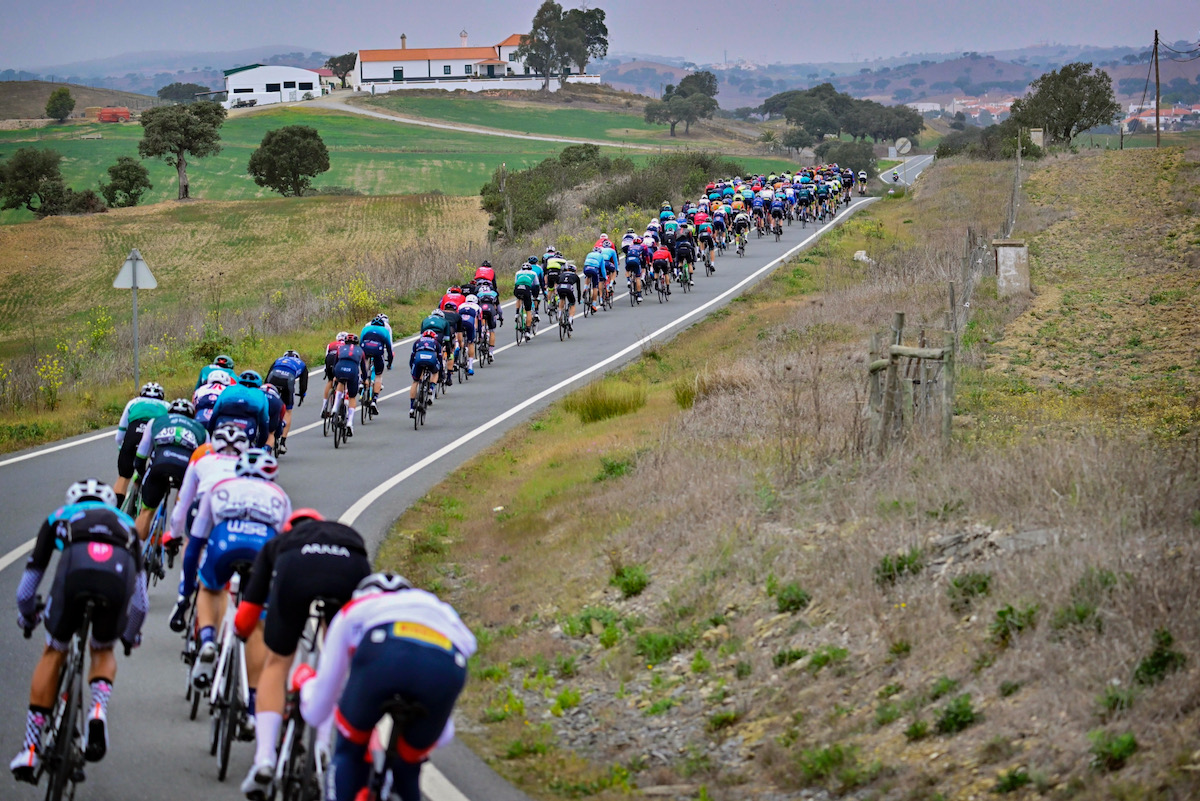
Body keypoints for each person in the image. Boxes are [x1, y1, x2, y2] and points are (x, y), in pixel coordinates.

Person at [292, 573, 476, 801]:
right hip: (448, 662)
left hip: (383, 654)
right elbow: (444, 735)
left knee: (349, 751)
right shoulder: (442, 612)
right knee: (408, 766)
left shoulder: (353, 610)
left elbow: (318, 708)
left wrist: (305, 682)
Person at [11, 479, 147, 781]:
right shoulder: (126, 523)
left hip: (73, 576)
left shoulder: (60, 516)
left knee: (54, 649)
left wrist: (29, 617)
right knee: (102, 648)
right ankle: (97, 710)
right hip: (116, 580)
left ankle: (30, 748)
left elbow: (26, 590)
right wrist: (130, 635)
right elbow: (140, 601)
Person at [233, 510, 371, 799]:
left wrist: (241, 633)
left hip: (297, 570)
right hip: (351, 568)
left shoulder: (280, 542)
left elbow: (249, 610)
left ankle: (265, 760)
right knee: (339, 663)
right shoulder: (346, 536)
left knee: (277, 662)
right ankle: (321, 747)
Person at [176, 449, 290, 719]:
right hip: (262, 550)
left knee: (210, 587)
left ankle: (206, 640)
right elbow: (286, 548)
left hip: (225, 542)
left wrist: (186, 589)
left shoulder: (220, 488)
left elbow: (195, 544)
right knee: (258, 622)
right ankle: (252, 705)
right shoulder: (279, 496)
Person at [164, 423, 248, 561]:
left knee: (191, 543)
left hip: (203, 506)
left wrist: (174, 534)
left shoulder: (202, 459)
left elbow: (183, 502)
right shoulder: (249, 465)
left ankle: (187, 580)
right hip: (235, 510)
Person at [132, 398, 207, 541]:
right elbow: (205, 462)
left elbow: (141, 454)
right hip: (184, 469)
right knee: (183, 498)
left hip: (160, 464)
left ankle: (135, 555)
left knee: (146, 511)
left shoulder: (156, 421)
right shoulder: (201, 429)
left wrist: (141, 474)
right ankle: (174, 530)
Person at [114, 382, 170, 509]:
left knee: (123, 477)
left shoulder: (133, 402)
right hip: (154, 437)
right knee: (152, 469)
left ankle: (114, 512)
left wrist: (122, 449)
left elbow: (120, 435)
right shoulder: (167, 405)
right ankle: (146, 510)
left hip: (133, 435)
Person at [209, 370, 270, 447]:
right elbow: (264, 423)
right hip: (248, 424)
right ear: (258, 385)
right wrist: (259, 446)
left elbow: (215, 412)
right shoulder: (261, 394)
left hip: (224, 420)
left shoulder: (228, 389)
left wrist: (209, 437)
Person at [265, 350, 308, 454]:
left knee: (266, 405)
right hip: (288, 380)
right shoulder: (301, 364)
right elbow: (303, 383)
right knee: (288, 411)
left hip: (273, 377)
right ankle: (283, 442)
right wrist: (302, 394)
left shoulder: (278, 360)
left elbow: (267, 378)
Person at [331, 334, 368, 437]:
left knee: (340, 383)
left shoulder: (341, 348)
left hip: (339, 368)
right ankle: (350, 423)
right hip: (352, 370)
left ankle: (335, 407)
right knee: (352, 397)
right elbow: (363, 369)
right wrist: (365, 380)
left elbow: (335, 363)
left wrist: (335, 375)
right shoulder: (360, 351)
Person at [360, 316, 393, 415]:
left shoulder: (365, 328)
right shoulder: (385, 331)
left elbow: (360, 342)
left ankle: (362, 381)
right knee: (378, 375)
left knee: (365, 361)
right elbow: (389, 349)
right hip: (377, 351)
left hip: (365, 348)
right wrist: (389, 363)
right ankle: (374, 400)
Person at [408, 330, 444, 417]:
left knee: (415, 382)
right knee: (435, 373)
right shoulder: (436, 343)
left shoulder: (417, 342)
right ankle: (431, 388)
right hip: (431, 358)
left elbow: (412, 357)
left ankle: (412, 408)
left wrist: (413, 369)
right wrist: (441, 372)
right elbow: (440, 359)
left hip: (419, 359)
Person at [321, 332, 349, 419]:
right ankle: (342, 400)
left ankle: (324, 407)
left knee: (330, 380)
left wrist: (327, 370)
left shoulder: (330, 345)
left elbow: (326, 357)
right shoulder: (347, 346)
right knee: (344, 381)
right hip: (340, 360)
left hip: (330, 360)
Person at [513, 259, 540, 336]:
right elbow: (536, 285)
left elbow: (516, 283)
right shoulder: (533, 273)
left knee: (518, 298)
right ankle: (528, 331)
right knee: (528, 311)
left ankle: (517, 313)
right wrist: (535, 296)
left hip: (517, 289)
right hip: (526, 289)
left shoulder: (518, 273)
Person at [457, 294, 481, 376]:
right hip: (470, 324)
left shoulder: (461, 305)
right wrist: (479, 334)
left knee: (459, 336)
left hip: (460, 322)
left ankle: (457, 346)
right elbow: (479, 321)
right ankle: (470, 366)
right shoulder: (478, 307)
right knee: (471, 343)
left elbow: (457, 317)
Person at [475, 284, 502, 353]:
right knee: (492, 330)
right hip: (491, 310)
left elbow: (475, 307)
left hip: (481, 309)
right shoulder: (494, 293)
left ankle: (481, 333)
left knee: (481, 320)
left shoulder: (478, 294)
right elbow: (498, 308)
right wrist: (500, 316)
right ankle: (491, 352)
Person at [556, 262, 581, 329]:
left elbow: (557, 282)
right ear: (575, 270)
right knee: (572, 304)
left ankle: (560, 314)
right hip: (568, 288)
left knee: (562, 299)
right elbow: (578, 289)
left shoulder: (562, 274)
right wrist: (579, 299)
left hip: (560, 288)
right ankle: (570, 320)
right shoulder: (576, 276)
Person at [261, 384, 285, 452]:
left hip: (259, 401)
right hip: (274, 404)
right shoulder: (278, 399)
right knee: (271, 433)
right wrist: (278, 433)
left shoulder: (257, 391)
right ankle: (266, 451)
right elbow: (280, 419)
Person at [582, 247, 605, 312]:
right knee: (595, 287)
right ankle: (594, 305)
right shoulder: (601, 256)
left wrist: (585, 275)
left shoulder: (589, 254)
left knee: (587, 277)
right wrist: (604, 277)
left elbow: (585, 263)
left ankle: (585, 288)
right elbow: (602, 269)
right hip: (594, 269)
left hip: (586, 268)